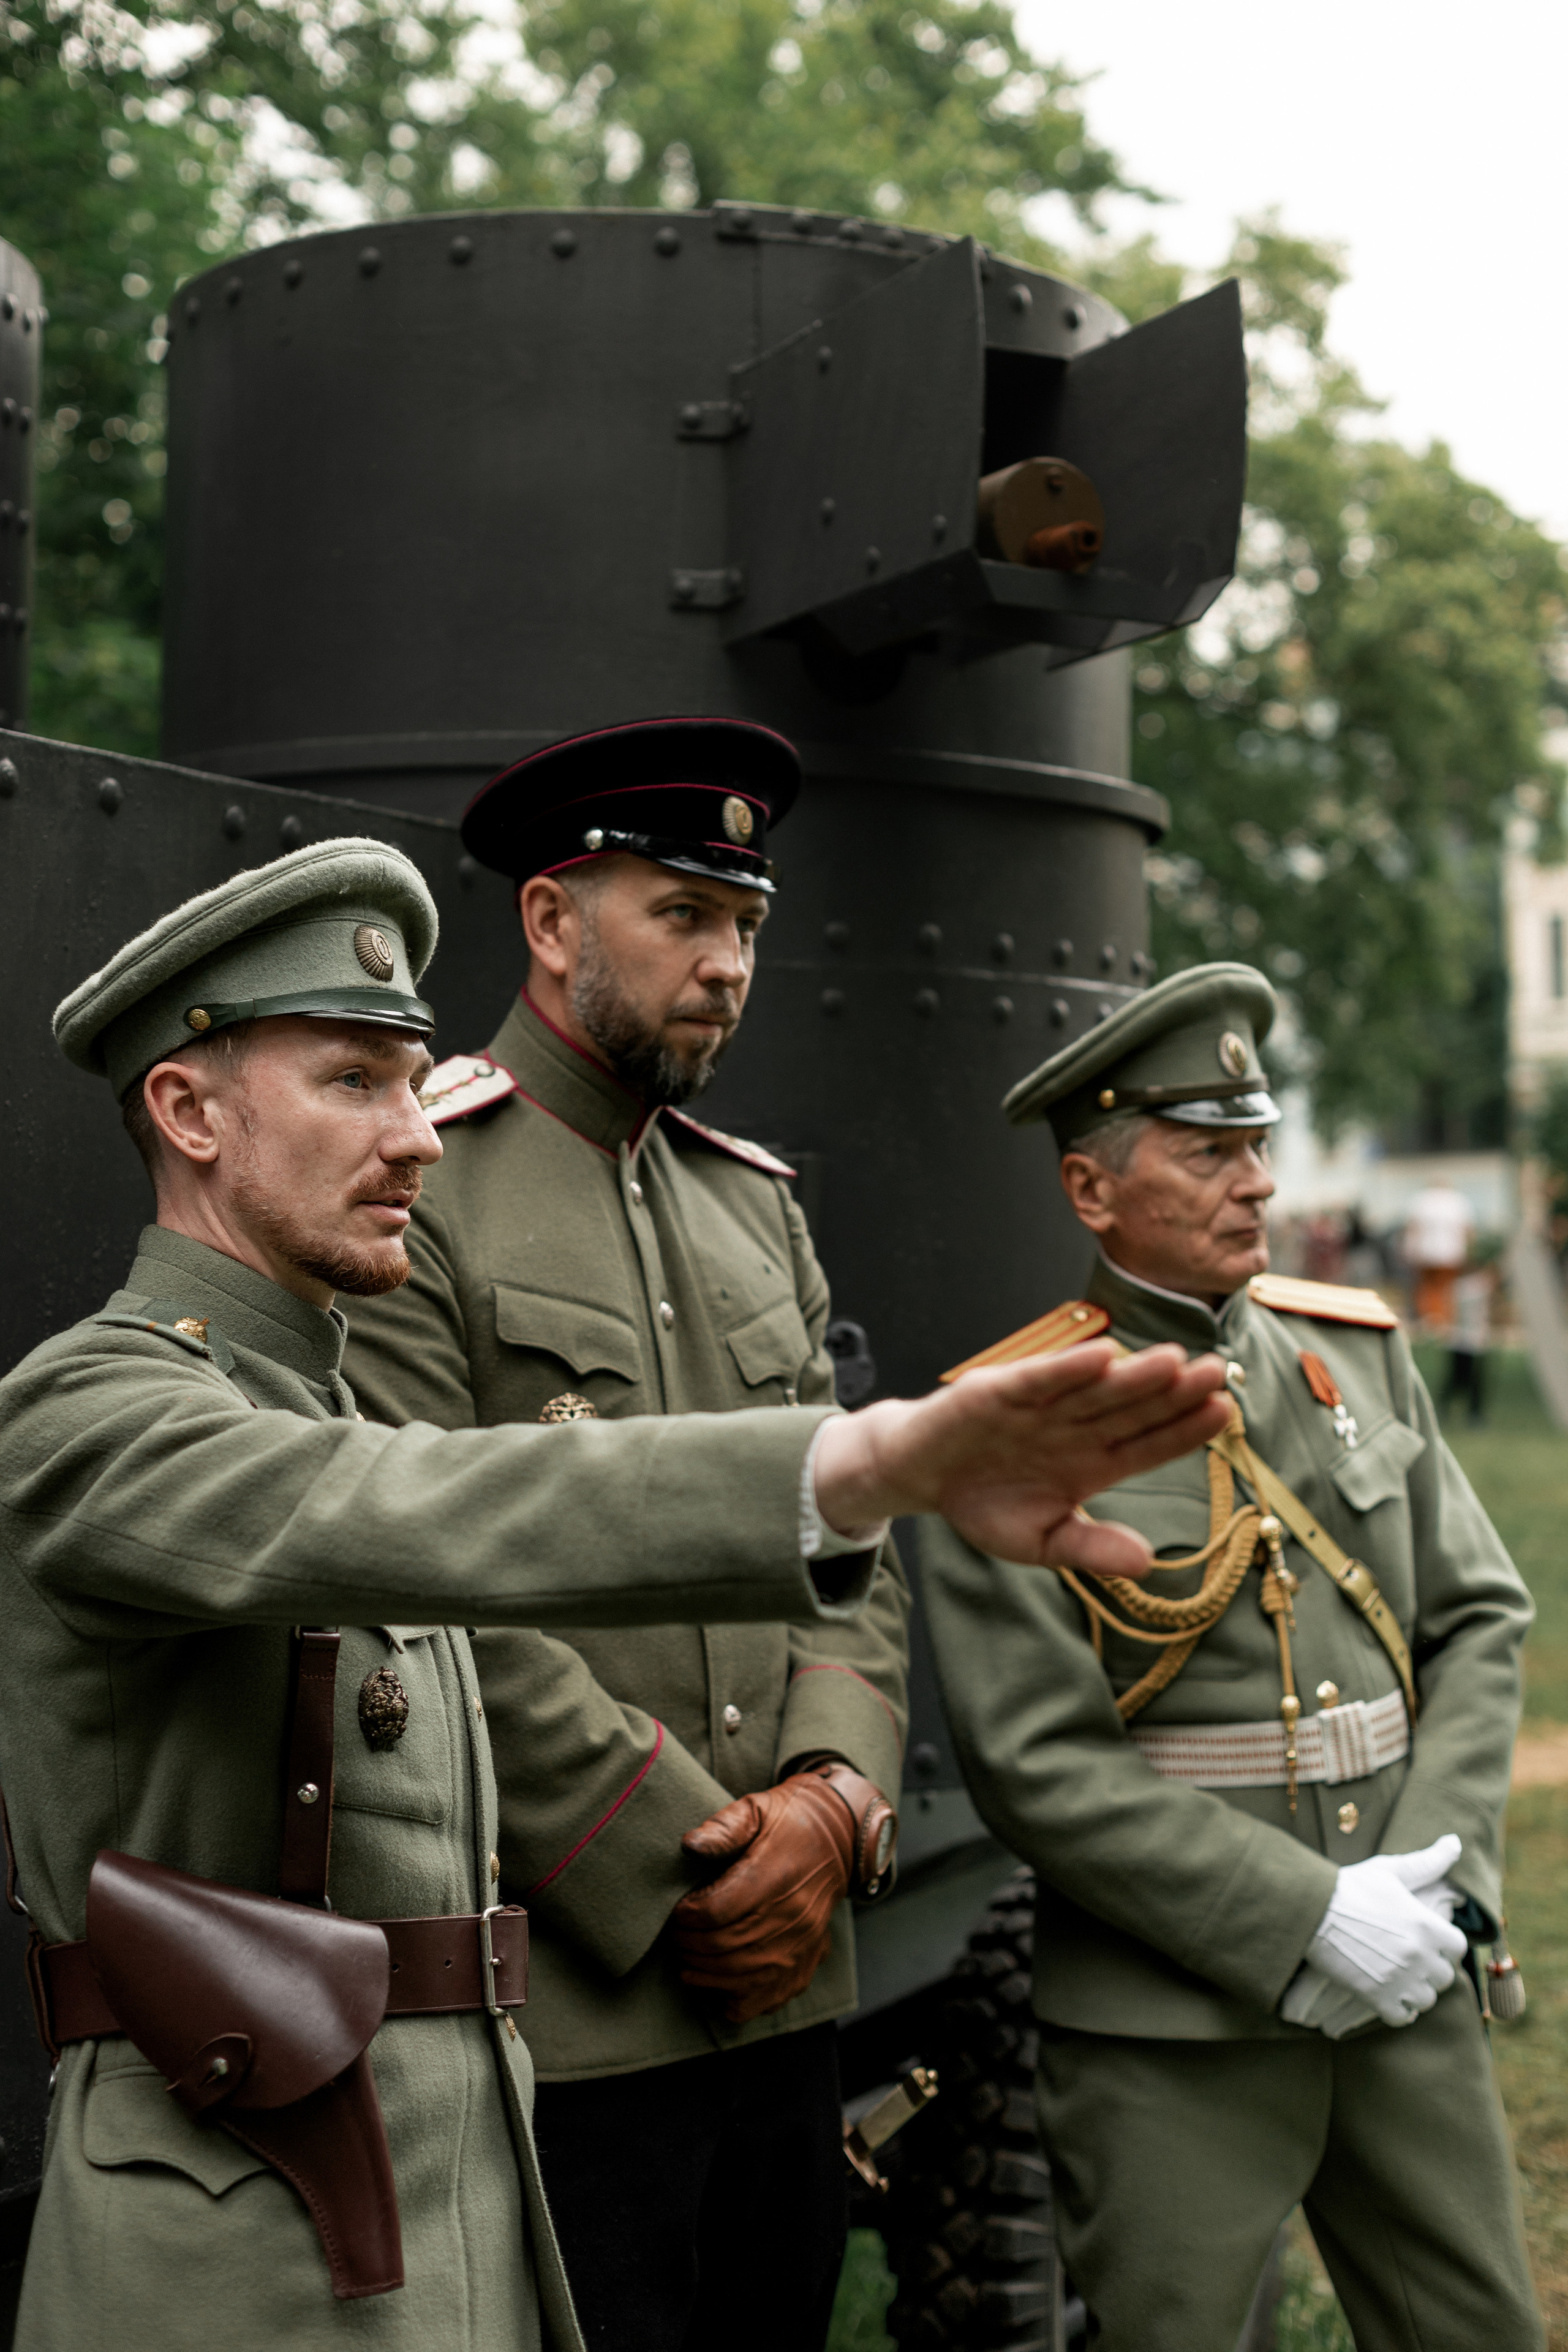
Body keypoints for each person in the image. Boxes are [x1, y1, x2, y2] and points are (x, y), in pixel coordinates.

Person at [0, 837, 1230, 2352]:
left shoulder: (328, 1403)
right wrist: (855, 1462)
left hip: (445, 2210)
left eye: (415, 1082)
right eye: (353, 1083)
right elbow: (427, 1505)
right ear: (189, 1112)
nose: (417, 1137)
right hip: (232, 2249)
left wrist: (828, 1788)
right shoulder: (89, 1414)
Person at [341, 717, 911, 2351]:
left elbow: (850, 1538)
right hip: (569, 2015)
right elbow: (413, 1574)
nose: (727, 963)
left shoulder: (756, 1205)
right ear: (549, 919)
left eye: (746, 922)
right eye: (682, 914)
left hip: (789, 2001)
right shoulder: (418, 1185)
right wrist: (694, 1865)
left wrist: (831, 1801)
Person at [921, 962, 1542, 2352]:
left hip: (1405, 1974)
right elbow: (1036, 1764)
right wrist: (1303, 1918)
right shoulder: (1004, 1426)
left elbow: (1479, 1616)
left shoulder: (1354, 1355)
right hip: (1170, 2025)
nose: (1255, 1181)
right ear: (1091, 1190)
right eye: (1207, 1152)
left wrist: (1433, 1889)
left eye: (1256, 1141)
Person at [1403, 1177, 1476, 1332]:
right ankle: (1443, 1322)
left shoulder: (1422, 1200)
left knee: (1428, 1288)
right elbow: (1468, 1229)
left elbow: (1413, 1228)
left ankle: (1430, 1321)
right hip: (1451, 1253)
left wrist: (1410, 1251)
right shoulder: (1457, 1200)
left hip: (1426, 1253)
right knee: (1446, 1289)